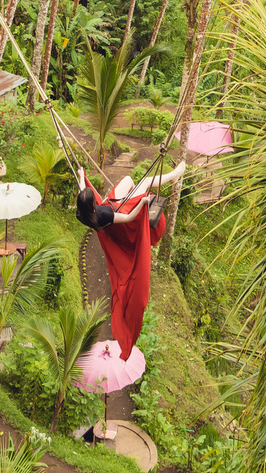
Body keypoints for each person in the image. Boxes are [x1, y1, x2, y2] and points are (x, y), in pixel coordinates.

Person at [72, 163, 183, 393]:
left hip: (112, 211)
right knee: (142, 183)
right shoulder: (103, 214)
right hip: (120, 219)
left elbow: (82, 189)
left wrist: (82, 176)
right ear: (94, 203)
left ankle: (168, 177)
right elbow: (129, 215)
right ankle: (173, 175)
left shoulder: (82, 213)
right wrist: (142, 202)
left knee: (129, 179)